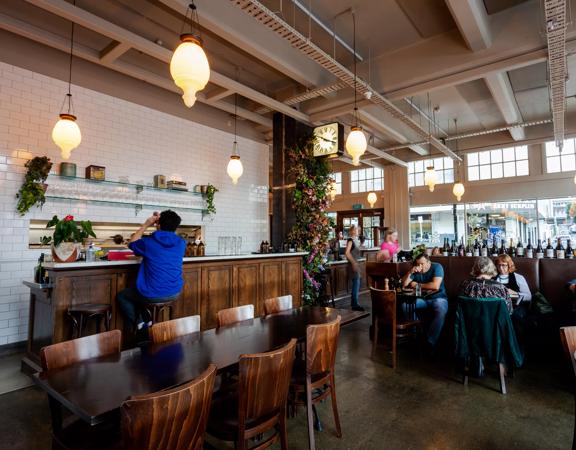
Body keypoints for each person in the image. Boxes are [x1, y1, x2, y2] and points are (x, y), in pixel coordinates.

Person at [118, 210, 186, 331]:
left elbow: (131, 243)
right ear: (176, 226)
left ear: (158, 224)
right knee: (140, 293)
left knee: (123, 296)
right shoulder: (181, 243)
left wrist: (146, 224)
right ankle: (147, 318)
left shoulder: (148, 242)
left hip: (151, 293)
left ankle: (140, 324)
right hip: (174, 292)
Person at [401, 253, 448, 348]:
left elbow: (435, 286)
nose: (420, 266)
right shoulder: (415, 270)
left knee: (440, 310)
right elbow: (404, 284)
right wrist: (410, 272)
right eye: (418, 264)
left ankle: (430, 341)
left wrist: (417, 285)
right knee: (405, 306)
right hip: (422, 300)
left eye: (422, 264)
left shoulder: (437, 267)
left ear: (428, 262)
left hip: (439, 298)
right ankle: (417, 332)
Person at [345, 225, 365, 312]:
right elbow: (347, 253)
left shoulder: (356, 240)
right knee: (356, 284)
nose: (358, 231)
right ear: (352, 231)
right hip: (353, 264)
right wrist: (353, 263)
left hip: (356, 264)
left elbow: (356, 251)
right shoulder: (350, 240)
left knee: (357, 283)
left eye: (359, 229)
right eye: (357, 229)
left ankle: (355, 303)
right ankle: (354, 304)